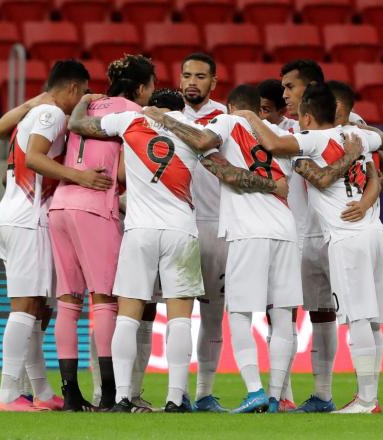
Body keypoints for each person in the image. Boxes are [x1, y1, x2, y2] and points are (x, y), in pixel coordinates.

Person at [69, 88, 288, 413]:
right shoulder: (191, 130)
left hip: (139, 231)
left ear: (152, 105)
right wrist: (271, 185)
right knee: (180, 320)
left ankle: (121, 398)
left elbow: (78, 125)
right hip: (181, 232)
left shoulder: (130, 120)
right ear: (179, 109)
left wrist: (84, 100)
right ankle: (175, 398)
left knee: (128, 318)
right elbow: (225, 171)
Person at [144, 85, 303, 414]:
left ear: (230, 107)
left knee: (240, 313)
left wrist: (165, 120)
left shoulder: (226, 123)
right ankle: (276, 396)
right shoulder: (275, 132)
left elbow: (202, 143)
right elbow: (284, 179)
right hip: (285, 228)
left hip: (248, 231)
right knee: (282, 314)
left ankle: (255, 391)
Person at [240, 83, 383, 414]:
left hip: (346, 237)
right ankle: (370, 396)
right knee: (374, 318)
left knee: (359, 318)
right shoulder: (358, 135)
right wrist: (364, 194)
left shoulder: (311, 140)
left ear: (307, 116)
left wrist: (250, 115)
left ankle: (366, 401)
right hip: (376, 233)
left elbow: (274, 143)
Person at [47, 54, 155, 412]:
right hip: (95, 206)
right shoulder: (131, 112)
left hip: (60, 204)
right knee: (105, 299)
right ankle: (109, 393)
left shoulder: (87, 102)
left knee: (68, 301)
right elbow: (124, 172)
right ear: (141, 88)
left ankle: (70, 394)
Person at [0, 59, 99, 412]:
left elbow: (5, 149)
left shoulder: (34, 114)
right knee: (25, 306)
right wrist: (80, 177)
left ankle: (40, 391)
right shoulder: (51, 115)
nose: (82, 100)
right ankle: (8, 393)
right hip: (27, 218)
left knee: (39, 309)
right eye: (83, 92)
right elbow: (36, 159)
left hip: (15, 214)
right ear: (72, 88)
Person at [178, 52, 229, 412]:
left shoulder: (225, 117)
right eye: (186, 75)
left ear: (213, 83)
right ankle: (171, 392)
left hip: (215, 225)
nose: (191, 81)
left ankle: (204, 393)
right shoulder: (164, 113)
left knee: (212, 314)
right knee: (163, 312)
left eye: (200, 76)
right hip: (174, 225)